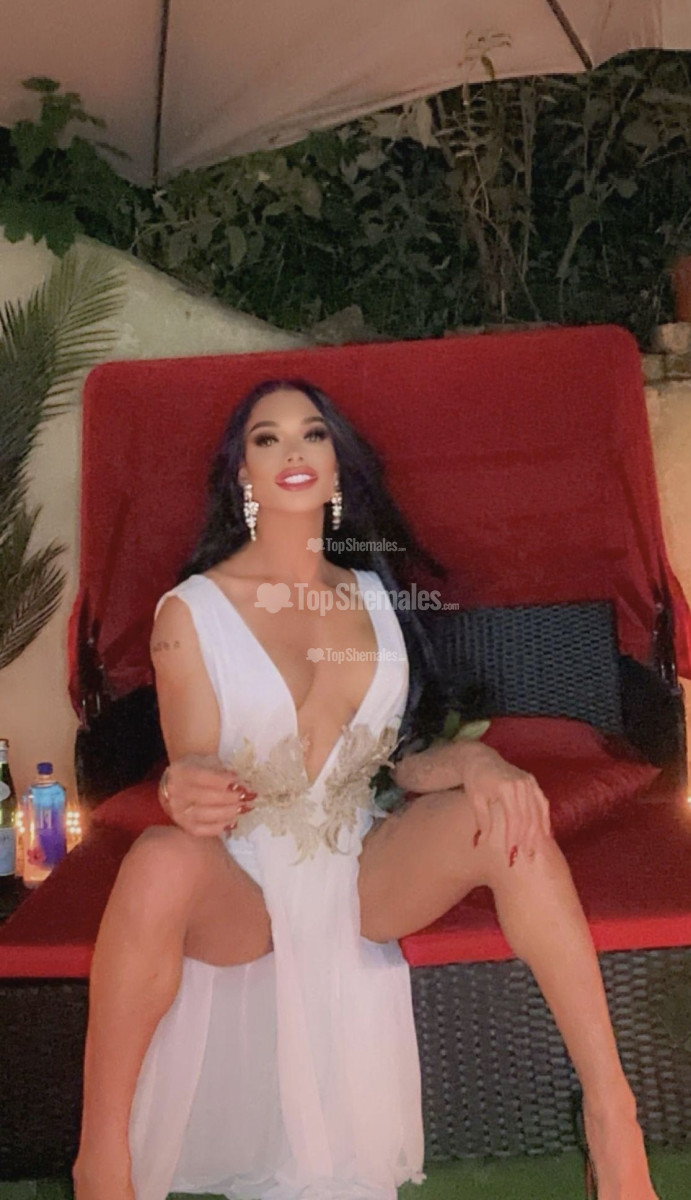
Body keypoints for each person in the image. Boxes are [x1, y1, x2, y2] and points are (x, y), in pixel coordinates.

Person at [72, 379, 660, 1200]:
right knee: (159, 860)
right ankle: (101, 1164)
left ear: (337, 467)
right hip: (245, 883)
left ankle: (612, 1114)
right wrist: (181, 785)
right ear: (242, 474)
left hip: (360, 865)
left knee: (509, 820)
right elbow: (194, 765)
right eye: (267, 438)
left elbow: (399, 757)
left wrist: (479, 765)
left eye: (311, 434)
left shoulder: (378, 600)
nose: (292, 450)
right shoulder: (192, 613)